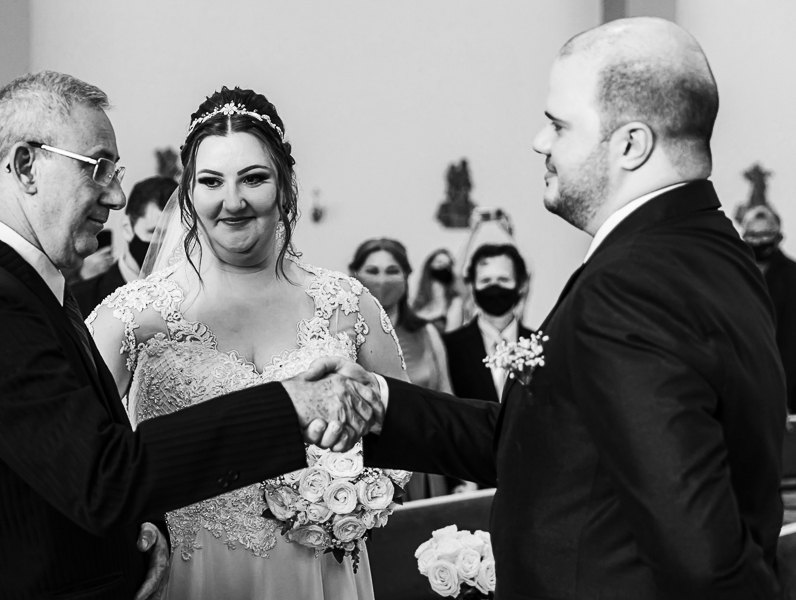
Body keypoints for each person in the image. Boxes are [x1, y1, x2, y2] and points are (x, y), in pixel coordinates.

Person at [317, 17, 786, 599]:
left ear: (631, 144)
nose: (540, 141)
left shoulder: (632, 285)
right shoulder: (712, 248)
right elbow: (557, 441)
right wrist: (383, 401)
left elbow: (703, 560)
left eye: (559, 125)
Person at [0, 72, 379, 600]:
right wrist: (285, 406)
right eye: (98, 167)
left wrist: (141, 529)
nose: (117, 195)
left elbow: (71, 456)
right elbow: (103, 477)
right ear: (26, 166)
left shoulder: (21, 288)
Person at [88, 86, 407, 600]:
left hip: (318, 574)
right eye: (211, 181)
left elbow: (404, 436)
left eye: (254, 178)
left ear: (285, 184)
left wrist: (350, 494)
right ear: (188, 191)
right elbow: (84, 464)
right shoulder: (130, 319)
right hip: (190, 576)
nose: (232, 201)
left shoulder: (349, 307)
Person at [349, 237, 450, 500]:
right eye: (372, 271)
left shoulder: (427, 333)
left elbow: (446, 401)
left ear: (406, 276)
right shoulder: (343, 337)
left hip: (423, 463)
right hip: (364, 470)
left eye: (392, 271)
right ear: (354, 274)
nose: (382, 280)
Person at [72, 175, 177, 316]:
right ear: (128, 228)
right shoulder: (79, 300)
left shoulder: (190, 298)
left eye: (173, 236)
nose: (165, 245)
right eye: (154, 233)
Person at [443, 244, 533, 405]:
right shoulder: (449, 347)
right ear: (472, 286)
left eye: (503, 279)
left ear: (521, 285)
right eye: (485, 280)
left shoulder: (540, 345)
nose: (494, 287)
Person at [742, 205, 796, 415]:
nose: (758, 241)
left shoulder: (792, 275)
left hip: (783, 377)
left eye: (765, 234)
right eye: (753, 235)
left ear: (778, 236)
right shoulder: (733, 272)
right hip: (742, 374)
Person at [411, 249, 464, 332]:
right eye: (439, 262)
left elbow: (451, 334)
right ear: (429, 266)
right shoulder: (416, 303)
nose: (443, 266)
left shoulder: (454, 302)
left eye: (447, 264)